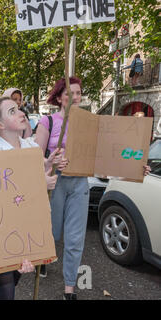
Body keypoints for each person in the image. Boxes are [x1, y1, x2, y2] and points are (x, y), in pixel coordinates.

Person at [34, 77, 151, 299]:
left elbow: (107, 157)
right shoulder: (47, 122)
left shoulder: (91, 123)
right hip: (54, 185)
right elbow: (35, 158)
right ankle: (43, 260)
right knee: (51, 232)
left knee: (75, 238)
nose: (76, 98)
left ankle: (70, 289)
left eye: (79, 93)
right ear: (59, 98)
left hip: (80, 184)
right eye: (70, 94)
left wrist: (135, 167)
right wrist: (51, 162)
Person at [0, 95, 67, 299]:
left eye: (18, 108)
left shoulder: (30, 147)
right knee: (5, 288)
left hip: (26, 228)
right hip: (2, 230)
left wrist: (49, 164)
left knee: (16, 276)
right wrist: (39, 184)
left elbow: (35, 171)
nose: (21, 113)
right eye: (12, 111)